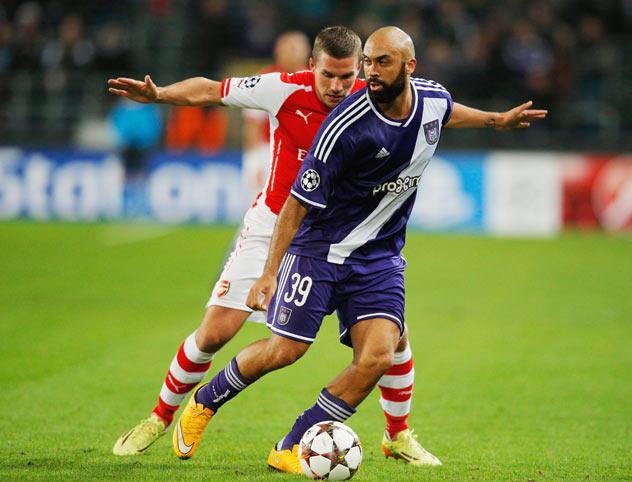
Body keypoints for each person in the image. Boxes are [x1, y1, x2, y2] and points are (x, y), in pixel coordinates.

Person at [172, 26, 547, 473]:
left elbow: (447, 113)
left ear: (410, 66)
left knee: (378, 355)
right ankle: (206, 399)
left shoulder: (431, 99)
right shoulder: (344, 127)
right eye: (367, 62)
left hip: (378, 256)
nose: (370, 72)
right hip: (319, 249)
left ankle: (294, 443)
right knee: (285, 351)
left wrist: (495, 120)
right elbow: (295, 203)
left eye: (381, 62)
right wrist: (270, 272)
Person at [108, 26, 441, 467]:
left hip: (336, 233)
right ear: (311, 68)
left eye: (348, 77)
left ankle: (397, 435)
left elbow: (436, 110)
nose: (339, 87)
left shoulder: (373, 95)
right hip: (273, 223)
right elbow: (211, 89)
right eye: (329, 76)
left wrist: (496, 120)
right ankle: (159, 416)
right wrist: (162, 95)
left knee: (392, 339)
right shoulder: (280, 89)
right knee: (217, 331)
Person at [242, 31, 310, 203]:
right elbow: (252, 123)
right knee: (258, 206)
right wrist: (254, 161)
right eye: (289, 47)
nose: (293, 52)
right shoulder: (264, 79)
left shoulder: (315, 80)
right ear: (277, 51)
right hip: (269, 153)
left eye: (296, 47)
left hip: (303, 154)